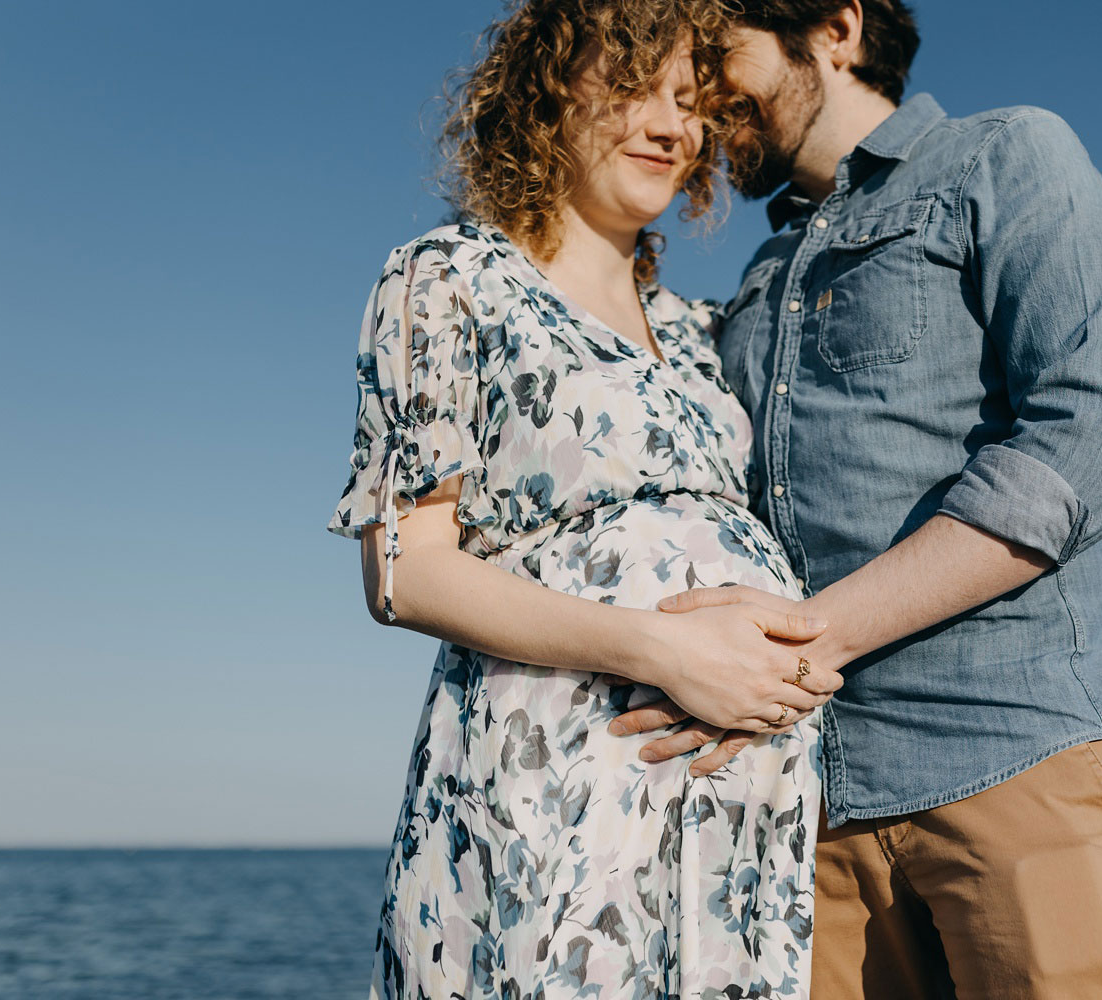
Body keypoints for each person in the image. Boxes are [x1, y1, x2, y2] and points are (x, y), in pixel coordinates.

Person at [612, 1, 1102, 997]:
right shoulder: (757, 278)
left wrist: (815, 635)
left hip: (1015, 752)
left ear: (834, 27)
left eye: (716, 55)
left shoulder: (1005, 156)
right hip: (809, 802)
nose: (696, 96)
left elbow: (1090, 442)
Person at [323, 1, 844, 996]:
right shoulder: (450, 280)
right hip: (551, 798)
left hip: (735, 834)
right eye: (635, 86)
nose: (669, 126)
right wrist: (663, 650)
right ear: (551, 84)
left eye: (693, 104)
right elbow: (404, 570)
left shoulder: (702, 334)